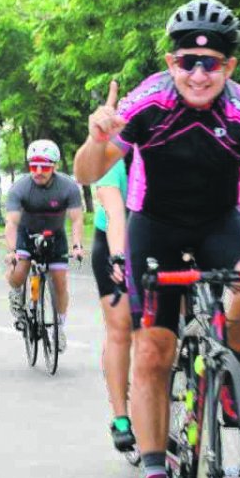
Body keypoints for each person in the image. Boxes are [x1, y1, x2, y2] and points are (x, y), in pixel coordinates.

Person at [73, 0, 240, 478]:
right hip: (155, 222)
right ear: (170, 61)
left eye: (213, 63)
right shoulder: (146, 101)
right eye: (187, 61)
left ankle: (230, 369)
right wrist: (97, 137)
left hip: (219, 220)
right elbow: (88, 172)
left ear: (230, 67)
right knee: (154, 351)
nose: (199, 73)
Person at [3, 139, 84, 351]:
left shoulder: (67, 187)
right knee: (20, 272)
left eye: (45, 166)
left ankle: (59, 326)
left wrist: (77, 246)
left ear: (54, 166)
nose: (38, 171)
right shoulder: (20, 188)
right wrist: (12, 251)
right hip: (26, 235)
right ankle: (16, 291)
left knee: (60, 282)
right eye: (34, 166)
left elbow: (76, 219)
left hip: (55, 237)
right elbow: (11, 222)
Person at [87, 152, 135, 454]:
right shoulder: (115, 158)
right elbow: (116, 213)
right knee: (121, 327)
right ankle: (121, 417)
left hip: (163, 237)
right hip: (114, 239)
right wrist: (119, 258)